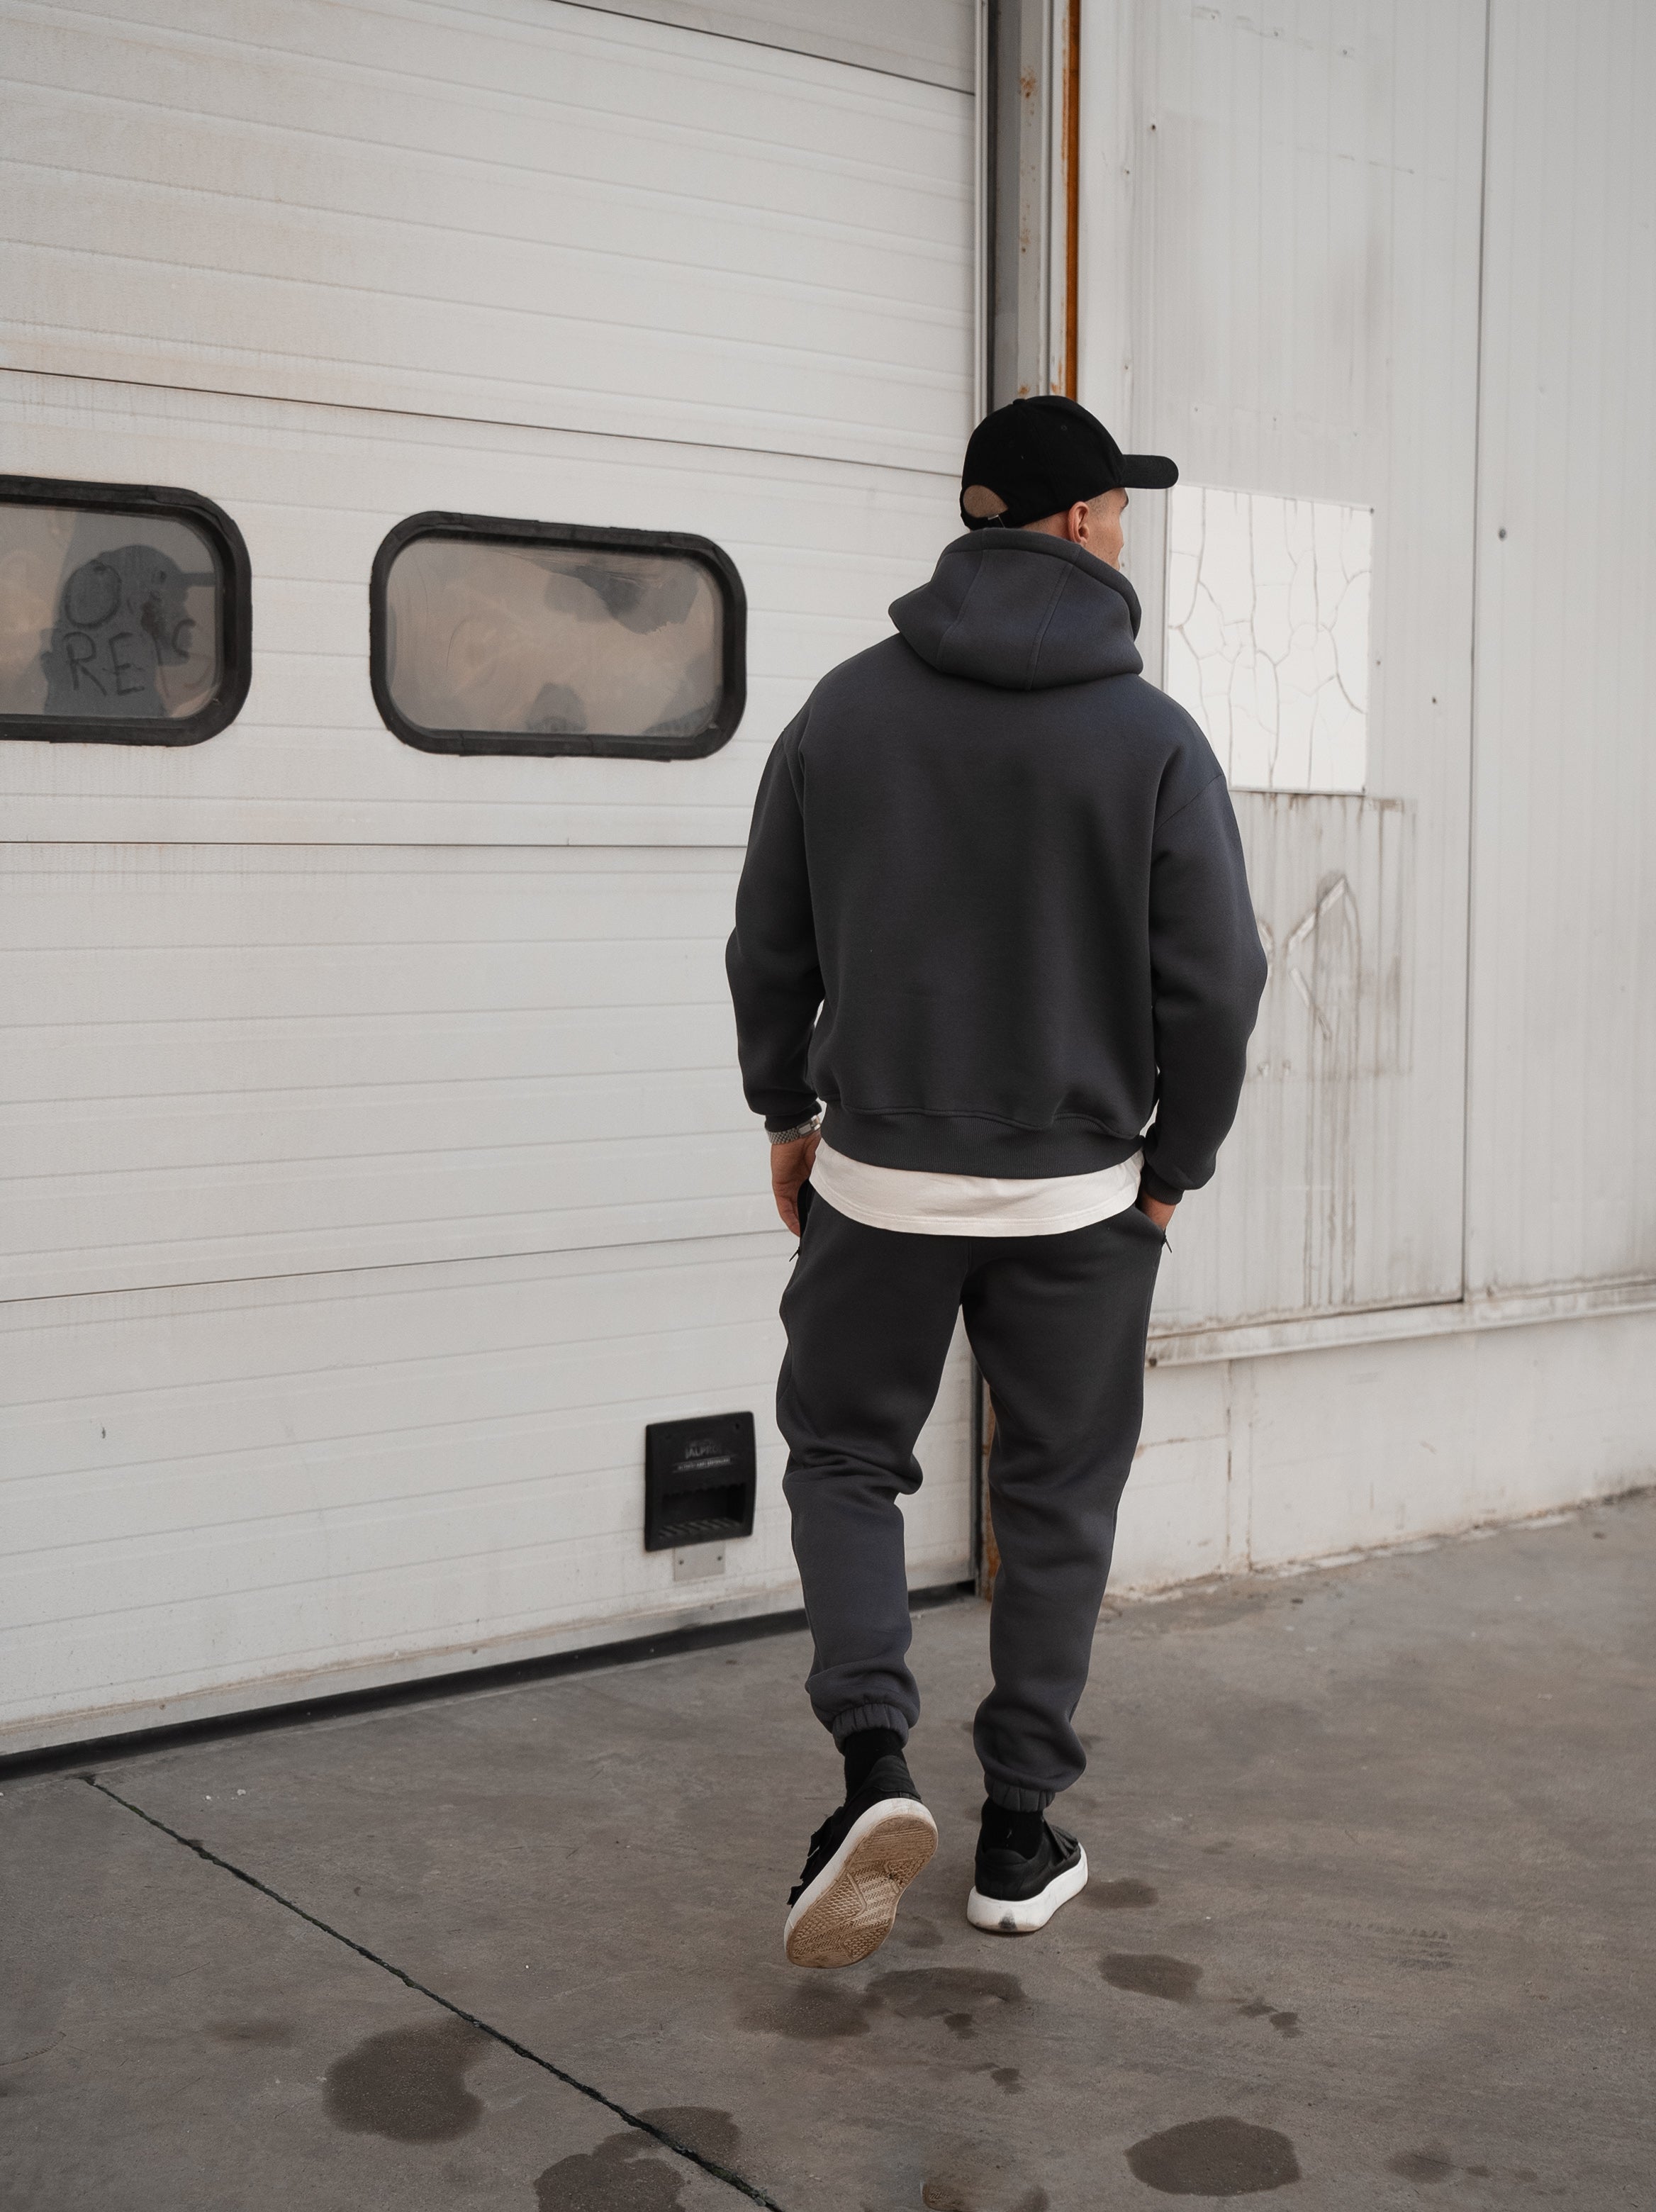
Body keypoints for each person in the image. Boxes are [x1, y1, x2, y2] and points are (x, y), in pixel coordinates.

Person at [726, 396, 1268, 1970]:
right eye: (1121, 507)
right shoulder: (1153, 740)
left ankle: (870, 1770)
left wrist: (785, 1110)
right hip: (1081, 1200)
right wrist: (1171, 1171)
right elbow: (1217, 987)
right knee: (1056, 1499)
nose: (1126, 528)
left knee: (844, 1460)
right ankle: (1019, 1833)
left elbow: (769, 940)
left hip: (879, 1179)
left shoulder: (844, 710)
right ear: (1083, 522)